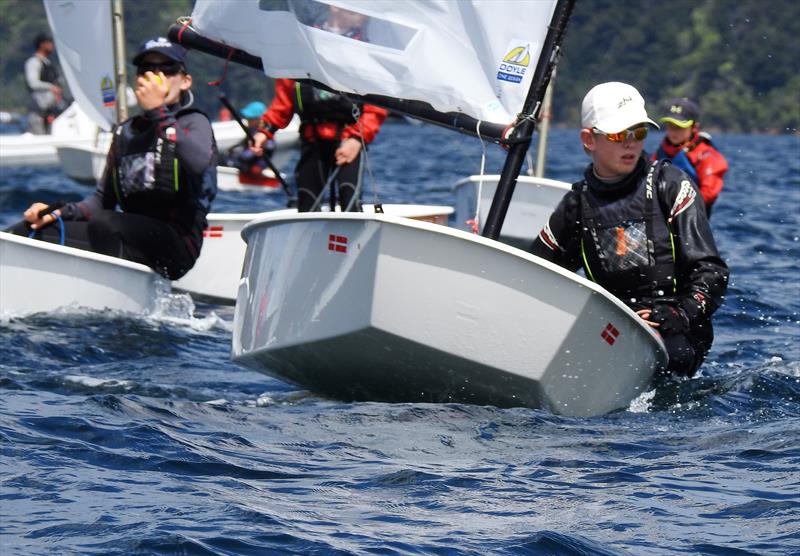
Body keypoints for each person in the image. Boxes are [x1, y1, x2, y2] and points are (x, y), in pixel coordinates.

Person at [529, 82, 729, 377]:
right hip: (611, 328)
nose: (631, 143)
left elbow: (711, 271)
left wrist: (682, 313)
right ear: (589, 139)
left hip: (676, 332)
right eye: (619, 134)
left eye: (639, 133)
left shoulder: (672, 185)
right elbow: (537, 277)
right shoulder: (577, 205)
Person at [9, 37, 218, 280]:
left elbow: (197, 162)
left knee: (106, 224)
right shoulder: (125, 132)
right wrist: (59, 212)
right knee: (29, 229)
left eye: (167, 69)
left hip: (175, 244)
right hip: (122, 234)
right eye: (147, 70)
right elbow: (101, 201)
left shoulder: (194, 122)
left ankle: (114, 299)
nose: (156, 76)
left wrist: (158, 112)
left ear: (185, 81)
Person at [250, 7, 387, 212]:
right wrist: (264, 131)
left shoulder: (365, 51)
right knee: (307, 201)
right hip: (312, 139)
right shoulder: (304, 46)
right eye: (356, 8)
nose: (364, 13)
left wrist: (357, 139)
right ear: (335, 7)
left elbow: (376, 107)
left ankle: (350, 240)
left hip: (348, 140)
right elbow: (284, 101)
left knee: (350, 199)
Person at [653, 98, 728, 217]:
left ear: (694, 127)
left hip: (691, 220)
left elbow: (709, 194)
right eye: (670, 126)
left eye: (679, 127)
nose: (673, 131)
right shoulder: (660, 153)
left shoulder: (707, 156)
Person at [24, 32, 68, 134]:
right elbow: (33, 83)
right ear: (42, 44)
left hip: (51, 111)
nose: (52, 45)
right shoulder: (34, 62)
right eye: (49, 42)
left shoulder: (48, 63)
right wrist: (51, 87)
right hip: (38, 111)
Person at [224, 101, 273, 176]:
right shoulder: (250, 132)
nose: (248, 121)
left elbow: (246, 156)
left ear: (260, 119)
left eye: (251, 118)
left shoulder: (265, 135)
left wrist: (238, 157)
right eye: (247, 118)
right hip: (246, 168)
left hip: (257, 172)